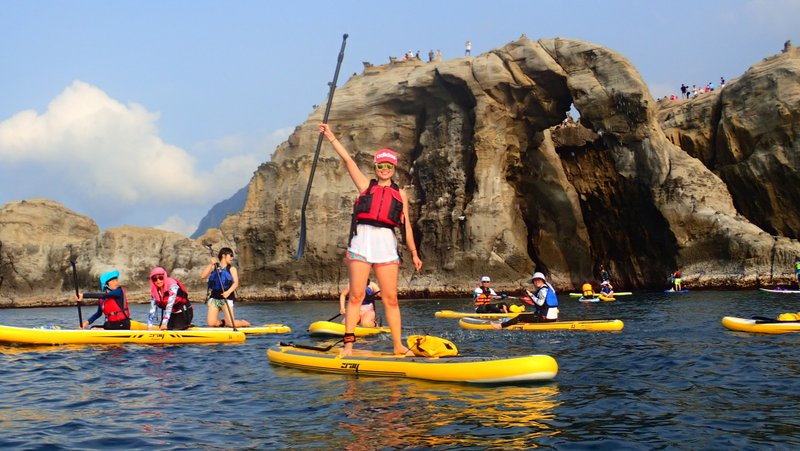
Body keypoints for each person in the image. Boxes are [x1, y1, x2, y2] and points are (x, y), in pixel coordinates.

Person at [320, 123, 423, 356]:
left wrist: (415, 253)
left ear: (393, 168)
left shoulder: (401, 194)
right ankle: (348, 346)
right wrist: (331, 137)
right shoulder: (366, 186)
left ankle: (398, 346)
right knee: (356, 296)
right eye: (380, 165)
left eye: (389, 166)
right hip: (362, 243)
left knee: (391, 300)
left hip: (386, 246)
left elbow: (406, 226)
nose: (384, 169)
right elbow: (349, 162)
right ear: (375, 167)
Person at [200, 247, 251, 328]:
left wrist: (228, 292)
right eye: (230, 255)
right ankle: (224, 322)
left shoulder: (232, 269)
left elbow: (235, 283)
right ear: (223, 256)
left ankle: (243, 323)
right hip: (214, 298)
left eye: (232, 256)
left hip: (227, 298)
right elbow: (202, 276)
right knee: (211, 324)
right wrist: (211, 264)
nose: (232, 258)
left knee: (231, 324)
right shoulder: (214, 267)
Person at [492, 272, 558, 328]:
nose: (537, 282)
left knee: (521, 317)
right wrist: (527, 299)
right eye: (535, 280)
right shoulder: (546, 289)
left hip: (546, 318)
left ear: (543, 280)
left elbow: (540, 303)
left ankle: (501, 326)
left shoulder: (543, 290)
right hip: (552, 318)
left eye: (539, 280)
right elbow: (540, 304)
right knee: (531, 314)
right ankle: (509, 321)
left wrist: (531, 295)